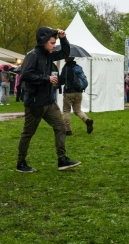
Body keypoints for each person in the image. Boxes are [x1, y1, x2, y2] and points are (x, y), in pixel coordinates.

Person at [17, 27, 81, 173]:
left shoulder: (48, 55)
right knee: (28, 133)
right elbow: (25, 75)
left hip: (48, 101)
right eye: (52, 43)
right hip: (34, 103)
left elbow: (65, 53)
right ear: (43, 41)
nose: (53, 46)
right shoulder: (32, 56)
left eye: (54, 43)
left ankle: (62, 159)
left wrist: (63, 38)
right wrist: (46, 78)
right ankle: (20, 163)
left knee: (60, 126)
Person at [59, 57, 94, 135]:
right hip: (79, 92)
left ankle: (68, 130)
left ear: (68, 58)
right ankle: (87, 120)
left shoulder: (66, 67)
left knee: (66, 111)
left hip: (69, 92)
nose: (64, 58)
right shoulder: (77, 67)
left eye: (65, 56)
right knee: (78, 110)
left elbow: (62, 81)